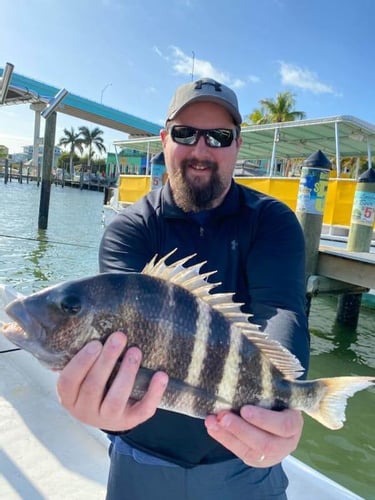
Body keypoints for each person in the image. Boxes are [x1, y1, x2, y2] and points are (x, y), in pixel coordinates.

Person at [57, 78, 310, 499]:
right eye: (185, 133)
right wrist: (97, 400)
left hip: (243, 460)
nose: (200, 149)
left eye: (219, 136)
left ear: (237, 146)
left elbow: (281, 310)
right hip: (140, 454)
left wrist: (280, 399)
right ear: (164, 139)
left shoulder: (272, 221)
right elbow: (109, 329)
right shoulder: (130, 230)